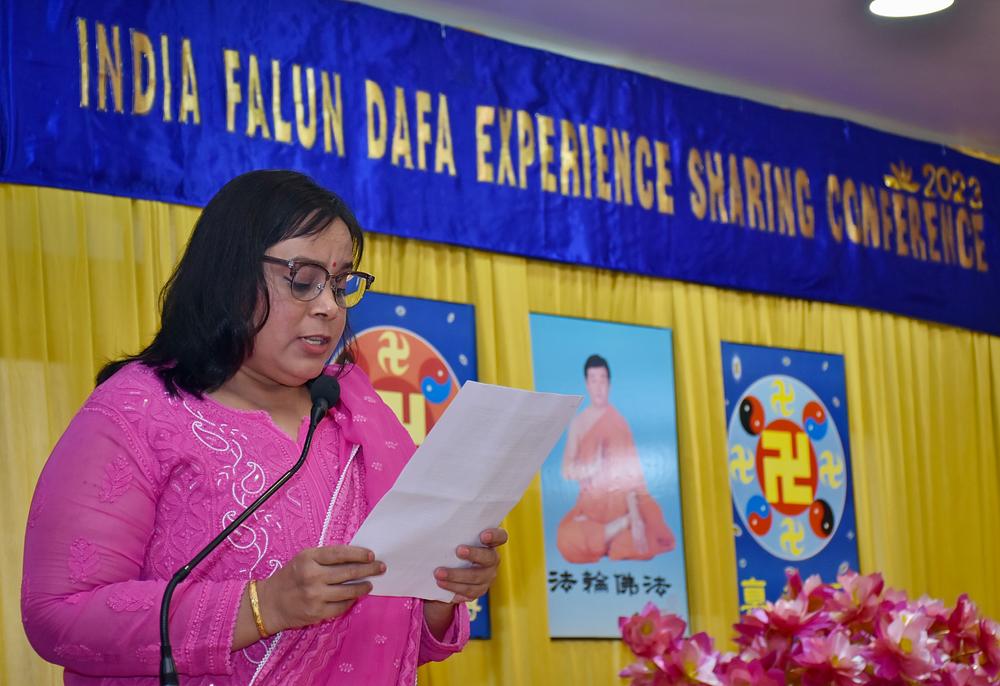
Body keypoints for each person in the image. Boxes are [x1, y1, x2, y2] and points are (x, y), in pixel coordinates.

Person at [20, 170, 506, 685]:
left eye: (340, 284)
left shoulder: (353, 410)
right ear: (230, 276)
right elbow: (61, 614)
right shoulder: (139, 410)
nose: (328, 306)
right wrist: (264, 606)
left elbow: (389, 641)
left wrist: (440, 589)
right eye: (303, 279)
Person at [556, 354, 675, 563]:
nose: (598, 387)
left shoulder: (619, 423)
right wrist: (591, 468)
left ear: (609, 384)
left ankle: (614, 535)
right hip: (591, 511)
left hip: (624, 506)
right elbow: (566, 470)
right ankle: (617, 531)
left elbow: (631, 479)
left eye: (602, 380)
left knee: (653, 535)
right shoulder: (579, 423)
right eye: (593, 380)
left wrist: (635, 519)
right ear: (587, 384)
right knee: (565, 539)